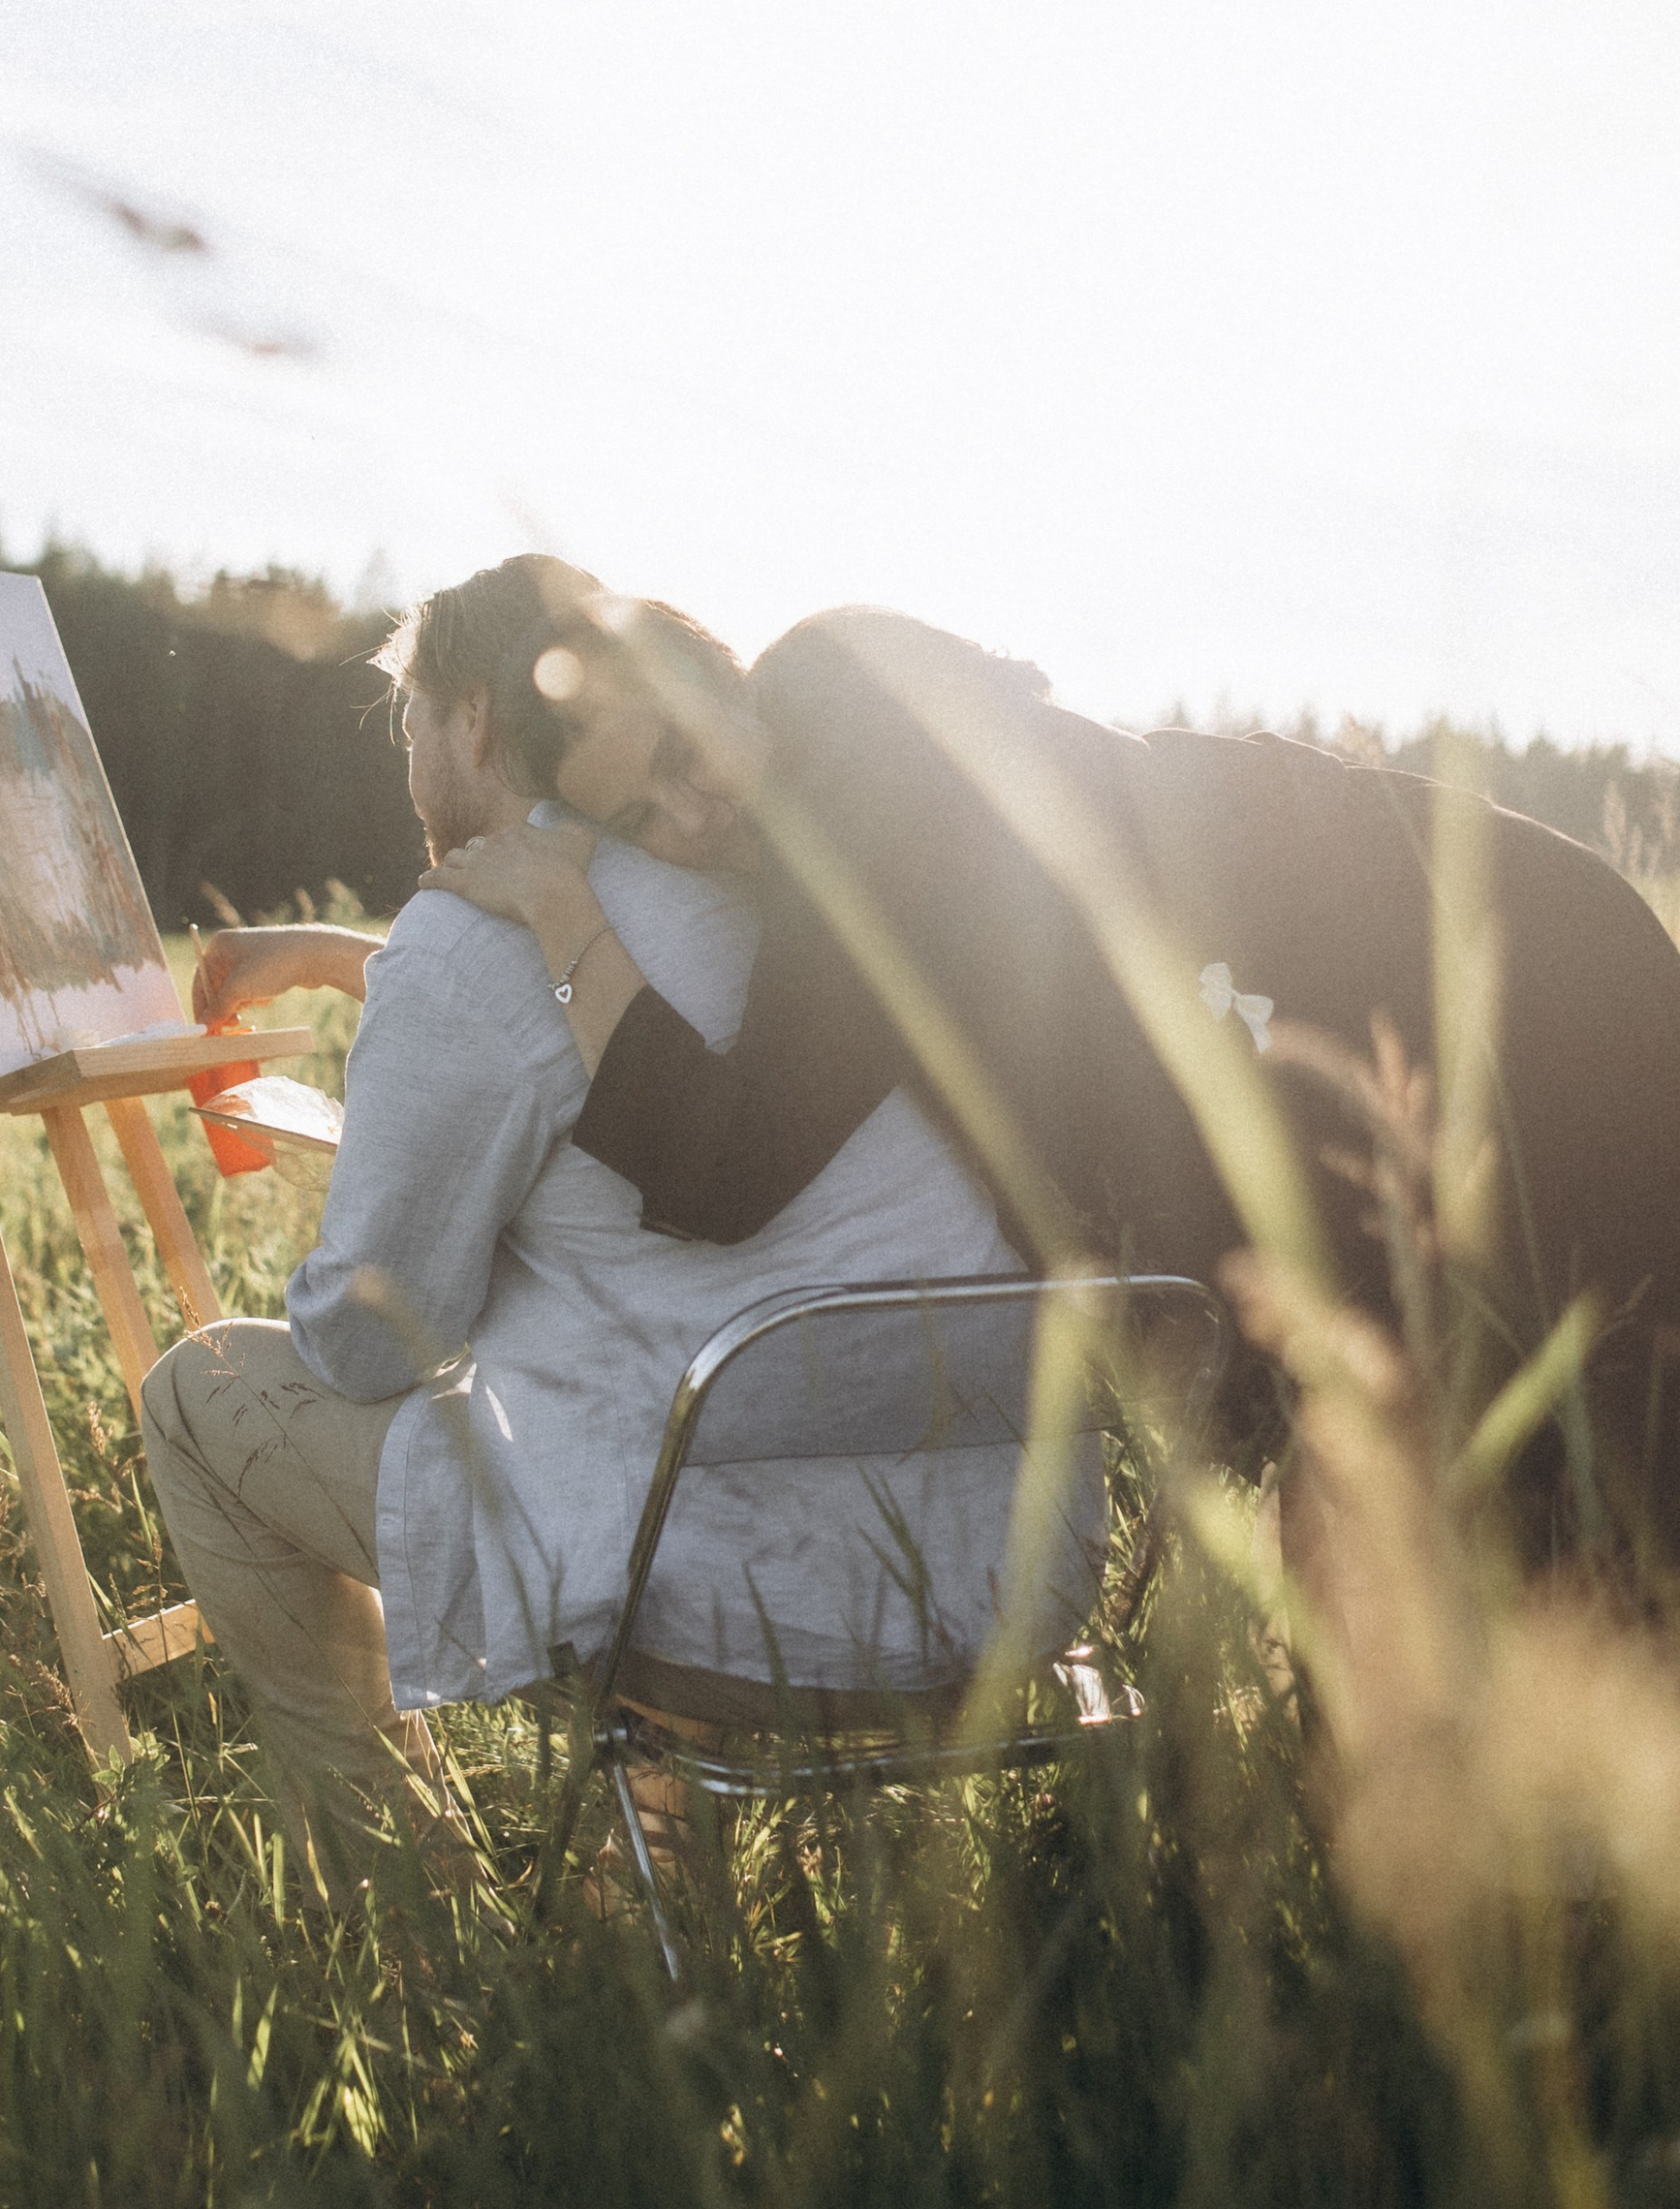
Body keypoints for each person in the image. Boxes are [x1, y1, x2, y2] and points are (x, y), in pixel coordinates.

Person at [139, 560, 1086, 1828]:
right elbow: (609, 1010)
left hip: (745, 1613)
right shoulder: (818, 896)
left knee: (200, 1392)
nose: (407, 757)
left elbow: (366, 1342)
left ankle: (390, 1904)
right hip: (1007, 1577)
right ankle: (632, 1912)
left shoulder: (471, 938)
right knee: (638, 1382)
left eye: (408, 721)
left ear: (473, 717)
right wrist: (358, 967)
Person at [422, 598, 1680, 1543]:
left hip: (1511, 989)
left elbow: (723, 1165)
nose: (692, 816)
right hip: (1478, 974)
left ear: (722, 678)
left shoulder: (860, 781)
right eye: (642, 819)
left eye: (681, 755)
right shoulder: (844, 757)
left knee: (1555, 1505)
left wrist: (560, 915)